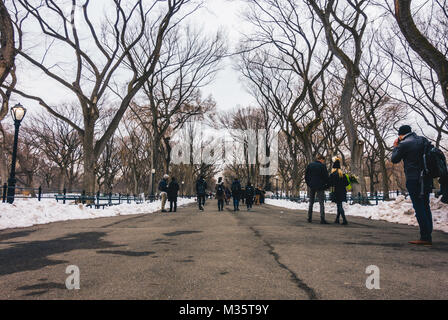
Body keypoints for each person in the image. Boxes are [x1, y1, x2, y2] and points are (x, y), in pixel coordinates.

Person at [392, 125, 433, 245]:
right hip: (426, 177)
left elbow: (394, 159)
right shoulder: (422, 140)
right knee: (426, 205)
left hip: (414, 178)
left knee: (418, 206)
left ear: (401, 135)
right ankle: (428, 234)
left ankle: (425, 237)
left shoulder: (405, 143)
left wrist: (396, 146)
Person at [305, 155, 329, 224]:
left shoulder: (310, 165)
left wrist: (309, 184)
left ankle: (309, 218)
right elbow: (326, 177)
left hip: (312, 186)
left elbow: (306, 176)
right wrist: (325, 185)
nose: (323, 162)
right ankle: (322, 219)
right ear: (321, 159)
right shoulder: (322, 166)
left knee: (311, 202)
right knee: (321, 203)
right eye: (323, 160)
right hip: (320, 186)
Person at [329, 158, 349, 225]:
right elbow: (347, 183)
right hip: (342, 191)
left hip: (336, 191)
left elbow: (330, 183)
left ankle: (344, 220)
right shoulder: (342, 175)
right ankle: (337, 219)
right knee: (339, 205)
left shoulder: (332, 175)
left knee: (339, 205)